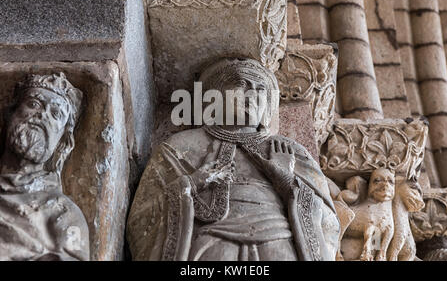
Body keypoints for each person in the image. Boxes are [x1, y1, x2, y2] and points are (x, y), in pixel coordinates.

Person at [127, 58, 340, 261]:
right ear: (215, 98)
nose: (252, 96)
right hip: (212, 242)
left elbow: (328, 224)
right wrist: (191, 183)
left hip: (279, 242)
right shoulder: (181, 146)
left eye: (260, 90)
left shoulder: (289, 150)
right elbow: (142, 216)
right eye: (242, 85)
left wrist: (286, 181)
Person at [0, 73, 89, 261]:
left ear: (62, 141)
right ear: (9, 114)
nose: (42, 115)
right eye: (33, 104)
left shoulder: (63, 212)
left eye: (55, 114)